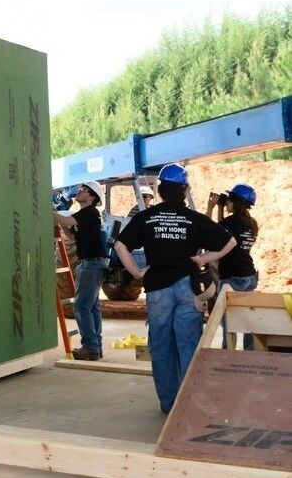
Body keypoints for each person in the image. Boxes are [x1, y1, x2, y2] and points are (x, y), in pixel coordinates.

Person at [114, 163, 236, 413]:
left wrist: (137, 272)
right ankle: (187, 403)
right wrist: (204, 259)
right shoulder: (193, 218)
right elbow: (230, 242)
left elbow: (119, 246)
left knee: (160, 347)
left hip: (157, 289)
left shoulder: (146, 217)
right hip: (187, 289)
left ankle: (168, 404)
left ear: (159, 190)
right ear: (184, 190)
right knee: (188, 346)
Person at [52, 180, 107, 361]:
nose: (79, 191)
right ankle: (95, 346)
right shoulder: (87, 215)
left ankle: (90, 348)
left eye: (83, 190)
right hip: (94, 264)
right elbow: (72, 236)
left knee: (81, 306)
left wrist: (51, 211)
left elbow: (67, 219)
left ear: (91, 196)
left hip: (90, 264)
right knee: (91, 307)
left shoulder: (89, 212)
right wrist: (60, 222)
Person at [210, 183, 259, 350]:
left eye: (229, 200)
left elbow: (214, 234)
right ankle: (249, 353)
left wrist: (212, 207)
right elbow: (223, 230)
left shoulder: (231, 222)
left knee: (227, 320)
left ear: (236, 202)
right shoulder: (252, 222)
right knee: (247, 318)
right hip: (249, 276)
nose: (227, 203)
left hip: (232, 277)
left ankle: (228, 354)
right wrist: (221, 209)